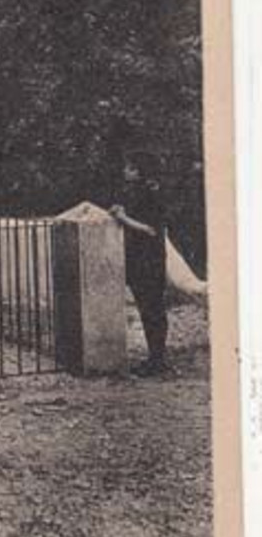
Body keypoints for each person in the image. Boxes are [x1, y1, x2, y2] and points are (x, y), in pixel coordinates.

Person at [109, 151, 170, 376]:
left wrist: (123, 218)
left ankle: (158, 360)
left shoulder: (153, 194)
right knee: (147, 309)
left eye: (131, 168)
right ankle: (155, 358)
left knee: (153, 308)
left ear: (140, 171)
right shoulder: (135, 192)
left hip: (150, 259)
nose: (126, 171)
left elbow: (151, 229)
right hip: (139, 259)